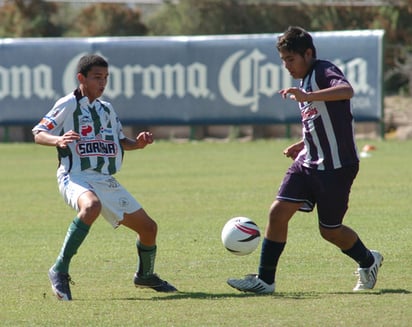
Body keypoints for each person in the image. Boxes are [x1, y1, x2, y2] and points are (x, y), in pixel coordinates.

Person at [227, 26, 383, 294]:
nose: (287, 66)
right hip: (307, 161)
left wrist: (308, 96)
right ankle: (265, 281)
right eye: (284, 61)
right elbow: (320, 120)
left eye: (291, 59)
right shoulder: (302, 83)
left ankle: (368, 260)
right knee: (277, 213)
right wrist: (302, 143)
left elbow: (346, 90)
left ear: (308, 54)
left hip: (336, 167)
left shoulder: (322, 71)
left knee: (330, 231)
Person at [32, 54, 177, 301]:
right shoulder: (68, 104)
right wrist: (58, 139)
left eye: (106, 78)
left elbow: (121, 142)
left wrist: (138, 144)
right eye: (97, 77)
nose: (102, 83)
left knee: (149, 229)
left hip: (104, 179)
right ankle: (59, 269)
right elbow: (38, 132)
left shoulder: (107, 109)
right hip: (74, 175)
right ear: (82, 78)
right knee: (91, 206)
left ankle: (145, 275)